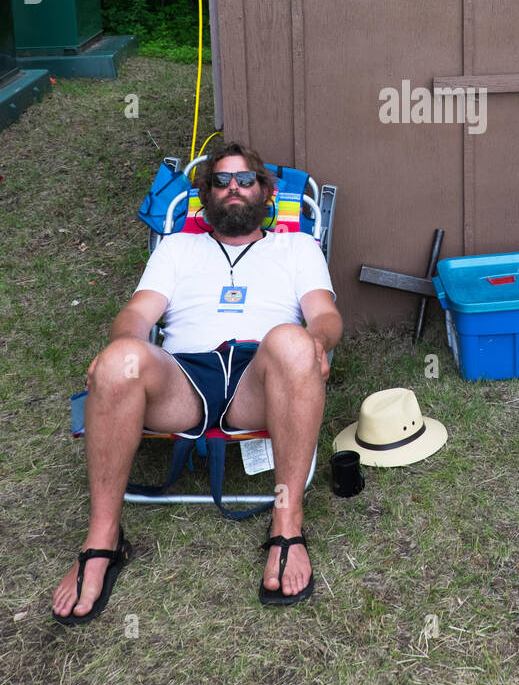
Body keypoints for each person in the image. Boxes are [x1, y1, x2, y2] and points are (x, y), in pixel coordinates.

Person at [52, 143, 342, 622]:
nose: (234, 188)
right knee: (121, 356)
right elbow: (136, 315)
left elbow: (326, 316)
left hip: (261, 377)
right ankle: (102, 541)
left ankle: (287, 527)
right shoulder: (177, 246)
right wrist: (120, 348)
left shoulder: (297, 247)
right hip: (182, 377)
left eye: (245, 179)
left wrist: (316, 342)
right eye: (221, 181)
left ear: (266, 192)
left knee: (293, 340)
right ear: (205, 194)